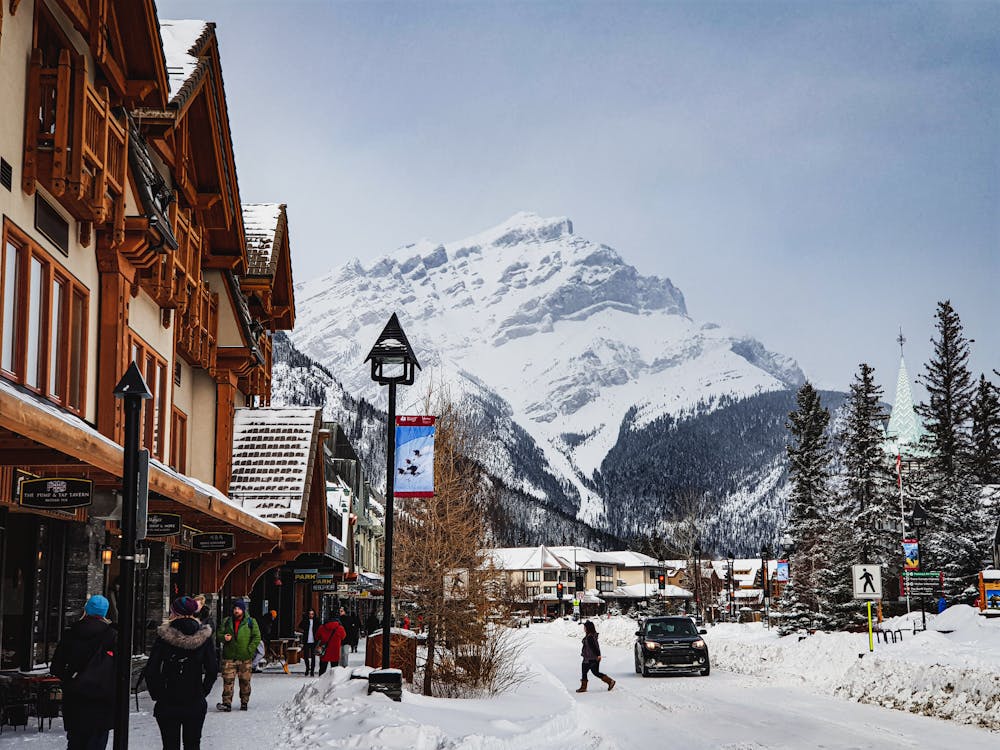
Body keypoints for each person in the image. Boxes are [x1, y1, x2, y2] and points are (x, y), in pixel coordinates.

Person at [145, 596, 218, 750]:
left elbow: (151, 669)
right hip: (194, 698)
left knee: (170, 745)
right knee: (193, 744)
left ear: (175, 612)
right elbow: (212, 669)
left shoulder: (164, 636)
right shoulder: (204, 636)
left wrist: (158, 693)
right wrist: (203, 690)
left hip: (168, 699)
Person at [50, 595, 117, 750]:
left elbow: (56, 667)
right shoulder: (112, 635)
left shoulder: (71, 633)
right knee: (97, 742)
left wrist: (71, 678)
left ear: (86, 610)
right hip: (102, 699)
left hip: (76, 699)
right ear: (105, 613)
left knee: (75, 742)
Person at [216, 598, 260, 711]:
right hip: (229, 657)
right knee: (227, 681)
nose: (236, 611)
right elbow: (218, 634)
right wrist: (224, 638)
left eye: (239, 609)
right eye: (235, 608)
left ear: (243, 610)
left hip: (245, 657)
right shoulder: (227, 621)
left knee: (245, 682)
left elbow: (256, 637)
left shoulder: (251, 622)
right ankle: (227, 703)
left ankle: (244, 702)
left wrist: (249, 650)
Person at [576, 620, 615, 693]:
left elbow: (594, 647)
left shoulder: (590, 637)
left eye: (585, 627)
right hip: (589, 658)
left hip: (591, 658)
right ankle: (583, 687)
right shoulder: (590, 635)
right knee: (589, 672)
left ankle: (610, 681)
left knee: (592, 672)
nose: (584, 628)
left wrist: (598, 655)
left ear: (588, 628)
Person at [296, 608, 319, 676]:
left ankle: (312, 671)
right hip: (306, 640)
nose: (311, 615)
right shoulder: (305, 620)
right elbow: (300, 626)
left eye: (312, 614)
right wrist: (304, 630)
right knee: (305, 656)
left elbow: (319, 628)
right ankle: (307, 668)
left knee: (313, 656)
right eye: (310, 614)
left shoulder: (316, 621)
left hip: (314, 641)